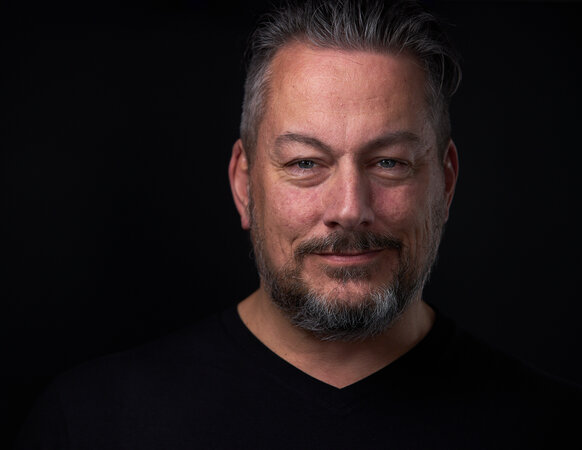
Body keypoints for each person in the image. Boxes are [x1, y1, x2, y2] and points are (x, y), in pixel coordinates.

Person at [14, 1, 581, 449]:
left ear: (446, 183)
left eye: (389, 162)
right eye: (306, 163)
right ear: (244, 185)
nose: (349, 208)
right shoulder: (92, 423)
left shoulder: (551, 426)